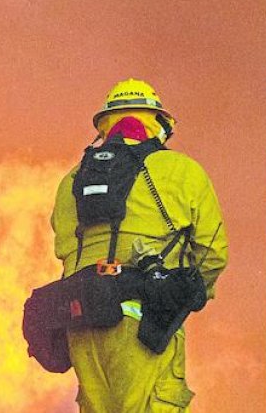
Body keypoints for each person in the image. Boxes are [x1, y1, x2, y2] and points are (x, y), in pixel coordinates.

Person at [50, 79, 228, 412]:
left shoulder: (71, 181)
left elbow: (65, 249)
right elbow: (213, 253)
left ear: (104, 126)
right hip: (145, 324)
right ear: (159, 124)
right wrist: (181, 295)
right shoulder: (182, 170)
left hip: (83, 324)